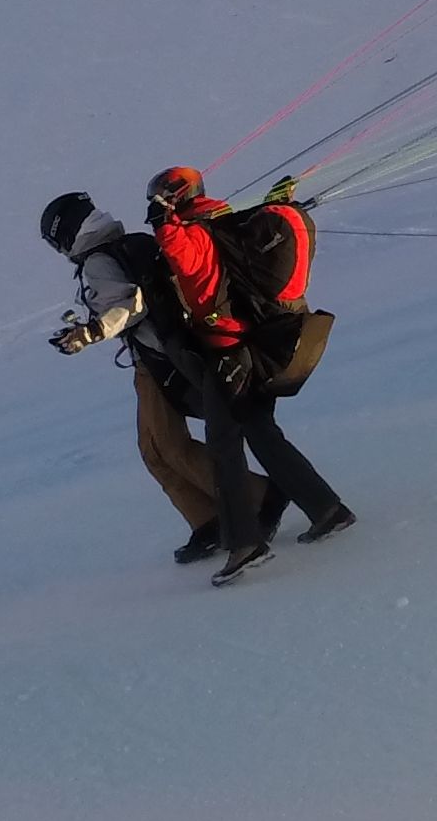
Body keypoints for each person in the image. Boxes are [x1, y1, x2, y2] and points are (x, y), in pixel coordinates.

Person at [141, 165, 353, 585]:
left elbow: (195, 272)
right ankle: (327, 510)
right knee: (261, 432)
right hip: (252, 346)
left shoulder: (196, 231)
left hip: (229, 353)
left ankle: (245, 543)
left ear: (174, 197)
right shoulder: (221, 218)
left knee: (224, 446)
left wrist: (166, 228)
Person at [43, 189, 227, 563]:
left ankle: (254, 500)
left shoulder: (98, 261)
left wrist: (89, 333)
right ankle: (209, 519)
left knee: (167, 448)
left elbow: (131, 303)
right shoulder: (129, 244)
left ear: (66, 235)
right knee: (154, 451)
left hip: (157, 359)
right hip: (166, 351)